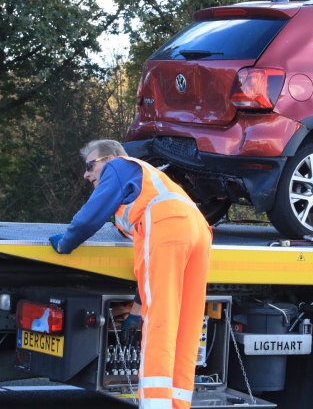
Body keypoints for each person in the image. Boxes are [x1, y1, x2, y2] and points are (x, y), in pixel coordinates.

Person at [48, 140, 212, 409]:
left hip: (169, 227)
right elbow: (147, 264)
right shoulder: (146, 186)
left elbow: (90, 216)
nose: (87, 174)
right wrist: (135, 310)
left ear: (110, 158)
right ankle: (177, 403)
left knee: (162, 319)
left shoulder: (118, 166)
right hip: (199, 230)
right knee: (187, 321)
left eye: (90, 166)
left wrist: (67, 242)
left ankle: (156, 405)